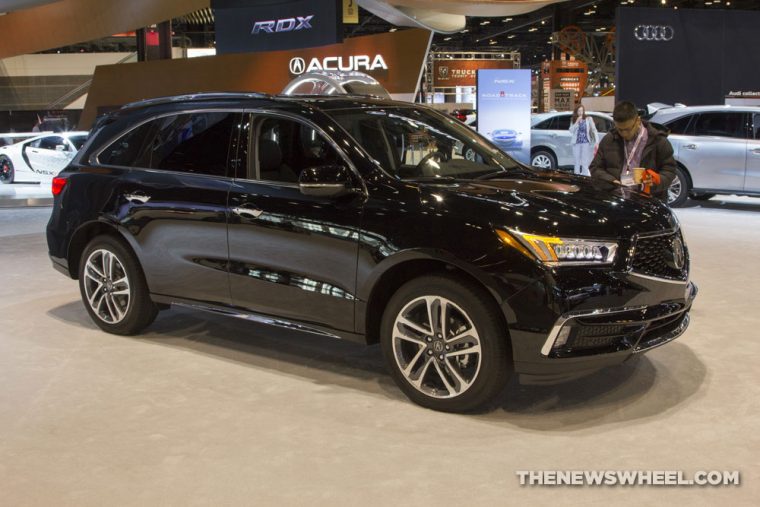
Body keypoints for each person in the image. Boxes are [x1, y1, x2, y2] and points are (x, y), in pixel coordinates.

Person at [589, 101, 676, 202]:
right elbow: (595, 168)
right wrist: (611, 182)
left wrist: (655, 181)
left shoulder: (658, 141)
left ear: (638, 121)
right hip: (615, 201)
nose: (624, 133)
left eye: (628, 129)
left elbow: (669, 171)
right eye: (620, 129)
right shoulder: (609, 140)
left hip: (648, 202)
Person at [568, 104, 598, 176]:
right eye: (579, 111)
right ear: (576, 112)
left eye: (582, 110)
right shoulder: (574, 119)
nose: (580, 112)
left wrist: (597, 141)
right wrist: (576, 122)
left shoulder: (588, 119)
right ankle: (576, 176)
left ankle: (584, 176)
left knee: (585, 161)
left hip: (585, 142)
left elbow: (594, 130)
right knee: (576, 161)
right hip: (576, 143)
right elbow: (571, 131)